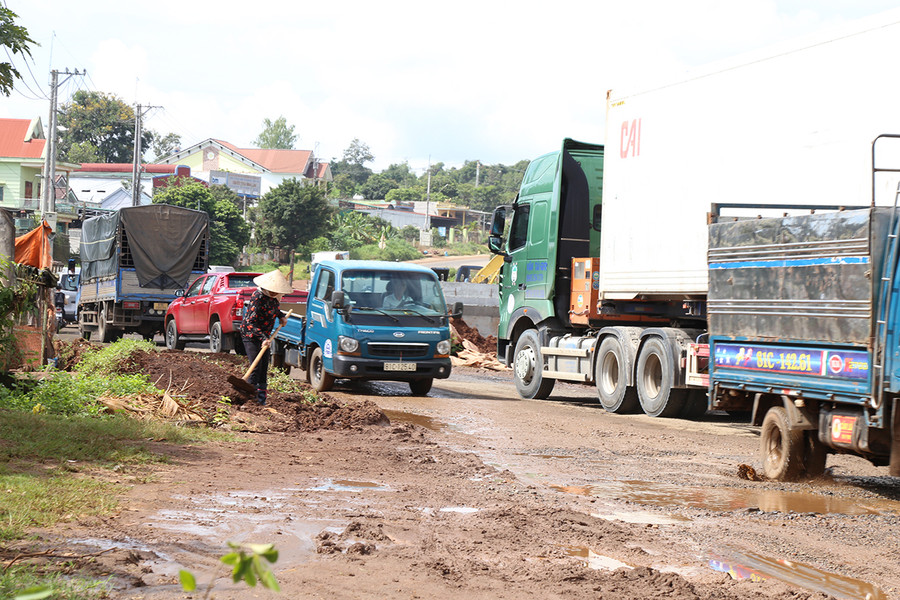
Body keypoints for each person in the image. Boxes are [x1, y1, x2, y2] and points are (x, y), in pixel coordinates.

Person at [238, 269, 291, 405]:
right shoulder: (258, 297)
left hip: (264, 337)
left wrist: (281, 317)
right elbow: (250, 322)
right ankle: (250, 398)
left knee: (263, 367)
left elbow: (274, 309)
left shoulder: (273, 299)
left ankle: (261, 400)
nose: (274, 293)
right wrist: (263, 338)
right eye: (272, 291)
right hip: (251, 335)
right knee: (255, 366)